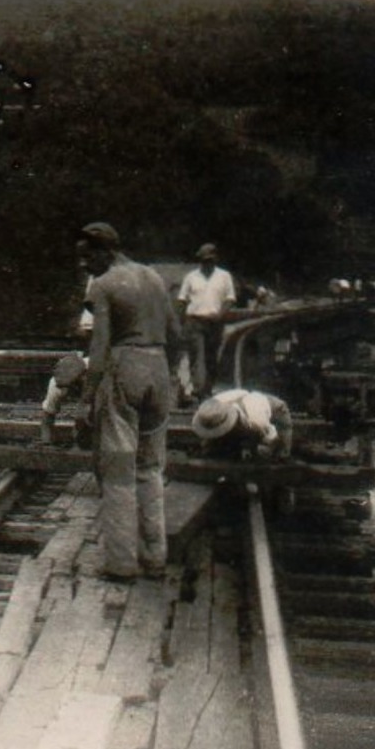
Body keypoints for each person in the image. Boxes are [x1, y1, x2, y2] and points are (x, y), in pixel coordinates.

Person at [79, 222, 184, 583]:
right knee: (151, 467)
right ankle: (154, 557)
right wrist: (169, 376)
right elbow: (177, 334)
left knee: (118, 468)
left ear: (102, 251)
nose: (83, 264)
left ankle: (122, 564)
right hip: (158, 367)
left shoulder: (105, 284)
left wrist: (87, 398)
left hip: (126, 365)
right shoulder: (154, 278)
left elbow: (99, 348)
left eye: (86, 255)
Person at [176, 243, 237, 401]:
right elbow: (182, 300)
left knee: (211, 357)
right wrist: (180, 323)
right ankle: (199, 391)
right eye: (204, 261)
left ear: (215, 259)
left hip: (215, 322)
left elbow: (230, 299)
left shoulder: (224, 276)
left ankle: (207, 390)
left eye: (210, 260)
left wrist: (221, 314)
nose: (207, 264)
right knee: (197, 356)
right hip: (195, 320)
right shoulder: (191, 277)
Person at [191, 388, 294, 461]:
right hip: (245, 401)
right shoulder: (210, 409)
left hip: (274, 409)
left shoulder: (256, 420)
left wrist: (264, 448)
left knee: (278, 455)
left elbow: (272, 440)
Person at [37, 352, 89, 445]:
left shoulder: (102, 371)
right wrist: (46, 442)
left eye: (71, 386)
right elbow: (47, 416)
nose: (68, 390)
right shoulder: (56, 384)